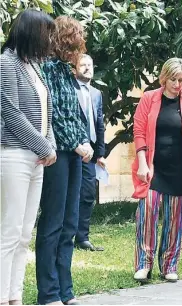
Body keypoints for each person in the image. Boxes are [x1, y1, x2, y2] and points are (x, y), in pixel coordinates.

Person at [35, 16, 93, 305]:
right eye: (73, 43)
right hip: (58, 154)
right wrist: (77, 143)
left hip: (74, 154)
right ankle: (48, 292)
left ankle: (65, 291)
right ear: (62, 42)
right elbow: (54, 114)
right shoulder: (47, 69)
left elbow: (76, 114)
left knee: (70, 224)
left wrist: (85, 141)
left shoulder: (67, 73)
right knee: (53, 223)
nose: (77, 49)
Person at [0, 9, 56, 306]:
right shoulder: (6, 63)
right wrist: (43, 146)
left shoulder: (33, 66)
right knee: (9, 233)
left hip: (35, 158)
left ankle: (14, 297)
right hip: (13, 154)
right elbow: (11, 113)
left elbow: (45, 112)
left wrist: (50, 144)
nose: (49, 39)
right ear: (31, 32)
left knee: (24, 235)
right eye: (46, 32)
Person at [131, 58, 182, 283]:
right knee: (147, 214)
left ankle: (170, 265)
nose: (177, 84)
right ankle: (144, 264)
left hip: (180, 168)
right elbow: (139, 131)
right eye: (173, 79)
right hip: (154, 166)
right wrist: (142, 163)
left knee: (173, 219)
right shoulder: (149, 98)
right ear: (164, 77)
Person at [73, 54, 106, 251]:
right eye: (83, 65)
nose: (87, 68)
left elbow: (99, 125)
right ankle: (65, 235)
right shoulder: (70, 88)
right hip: (72, 148)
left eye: (90, 65)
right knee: (70, 195)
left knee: (87, 194)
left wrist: (100, 154)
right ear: (75, 68)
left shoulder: (96, 93)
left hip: (91, 153)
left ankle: (82, 237)